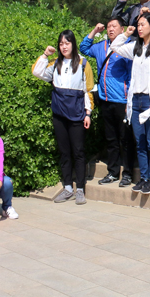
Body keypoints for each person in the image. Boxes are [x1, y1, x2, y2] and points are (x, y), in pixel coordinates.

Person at [33, 31, 94, 205]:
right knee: (65, 152)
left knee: (78, 152)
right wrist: (45, 55)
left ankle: (80, 189)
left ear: (73, 44)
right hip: (59, 115)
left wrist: (88, 113)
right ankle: (68, 188)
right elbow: (37, 72)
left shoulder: (83, 63)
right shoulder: (55, 63)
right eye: (61, 43)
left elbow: (88, 90)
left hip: (77, 115)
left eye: (67, 43)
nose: (64, 46)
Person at [111, 14, 150, 195]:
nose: (140, 28)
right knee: (140, 142)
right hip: (135, 100)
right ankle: (143, 178)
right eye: (138, 25)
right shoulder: (135, 47)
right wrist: (126, 34)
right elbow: (114, 46)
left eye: (143, 24)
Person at [80, 18, 134, 187]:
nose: (111, 29)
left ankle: (128, 173)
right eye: (109, 26)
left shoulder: (127, 46)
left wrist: (129, 98)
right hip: (105, 99)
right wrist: (95, 31)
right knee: (111, 138)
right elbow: (84, 48)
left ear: (122, 29)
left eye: (114, 26)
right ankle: (113, 172)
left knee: (125, 139)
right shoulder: (101, 46)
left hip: (122, 100)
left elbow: (132, 74)